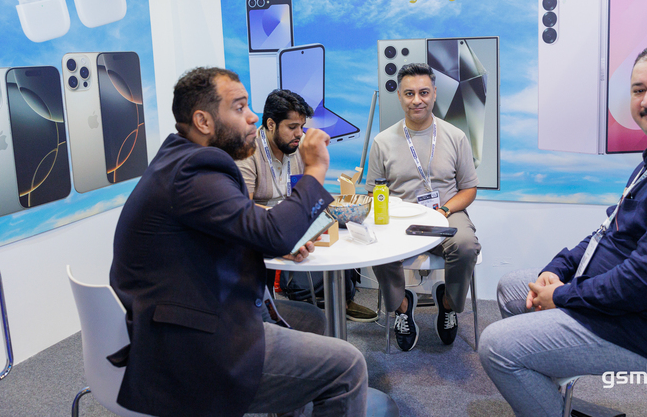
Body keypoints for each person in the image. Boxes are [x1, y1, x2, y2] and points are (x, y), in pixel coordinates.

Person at [478, 45, 647, 417]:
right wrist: (557, 268)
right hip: (622, 307)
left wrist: (564, 296)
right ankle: (550, 400)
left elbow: (645, 284)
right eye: (639, 90)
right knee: (514, 287)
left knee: (497, 347)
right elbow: (609, 231)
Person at [109, 67, 367, 417]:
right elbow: (274, 233)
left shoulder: (182, 159)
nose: (253, 117)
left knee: (310, 320)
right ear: (203, 120)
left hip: (185, 312)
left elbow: (245, 225)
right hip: (190, 343)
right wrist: (316, 170)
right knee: (348, 365)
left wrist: (276, 238)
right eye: (240, 107)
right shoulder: (195, 171)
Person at [366, 62, 481, 351]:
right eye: (409, 93)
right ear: (399, 96)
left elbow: (469, 189)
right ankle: (403, 306)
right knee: (377, 245)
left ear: (434, 94)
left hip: (447, 213)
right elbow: (373, 193)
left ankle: (447, 303)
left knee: (466, 245)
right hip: (401, 219)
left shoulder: (455, 136)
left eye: (423, 92)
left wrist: (444, 211)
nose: (417, 100)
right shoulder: (382, 142)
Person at [236, 89, 377, 322]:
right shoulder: (247, 151)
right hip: (264, 224)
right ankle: (271, 313)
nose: (299, 134)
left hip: (296, 216)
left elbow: (310, 193)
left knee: (339, 232)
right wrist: (283, 217)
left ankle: (342, 299)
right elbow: (244, 209)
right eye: (292, 127)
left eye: (302, 127)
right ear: (270, 124)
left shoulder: (299, 145)